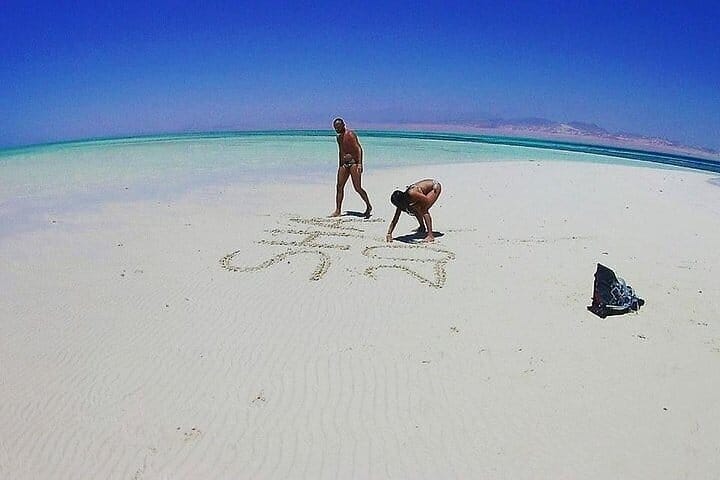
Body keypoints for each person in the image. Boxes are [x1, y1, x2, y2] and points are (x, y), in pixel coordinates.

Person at [330, 117, 372, 218]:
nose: (337, 129)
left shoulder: (350, 134)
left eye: (338, 127)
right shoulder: (338, 138)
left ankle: (368, 206)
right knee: (339, 186)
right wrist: (340, 164)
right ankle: (338, 210)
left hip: (354, 163)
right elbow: (341, 151)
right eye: (335, 127)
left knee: (357, 188)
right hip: (344, 164)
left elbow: (359, 148)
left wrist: (360, 164)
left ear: (343, 125)